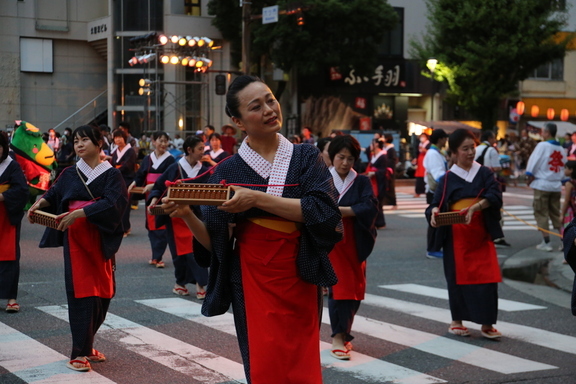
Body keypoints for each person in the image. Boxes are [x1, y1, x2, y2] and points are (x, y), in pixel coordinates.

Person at [161, 75, 342, 384]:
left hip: (299, 268)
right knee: (263, 362)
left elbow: (324, 213)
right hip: (251, 275)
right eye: (256, 106)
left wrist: (257, 198)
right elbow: (216, 241)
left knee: (301, 361)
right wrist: (187, 216)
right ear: (238, 121)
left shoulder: (306, 156)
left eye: (270, 100)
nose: (270, 109)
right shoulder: (227, 170)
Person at [28, 125, 128, 372]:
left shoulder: (111, 174)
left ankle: (87, 344)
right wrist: (39, 203)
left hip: (101, 238)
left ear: (98, 143)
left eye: (85, 140)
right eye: (76, 141)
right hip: (77, 241)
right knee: (82, 294)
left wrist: (80, 213)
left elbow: (114, 203)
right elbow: (53, 193)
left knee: (104, 293)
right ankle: (78, 353)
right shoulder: (70, 173)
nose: (79, 144)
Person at [426, 128, 503, 340]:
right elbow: (435, 204)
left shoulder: (485, 173)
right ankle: (456, 321)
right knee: (457, 278)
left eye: (473, 148)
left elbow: (495, 195)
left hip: (480, 233)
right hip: (457, 234)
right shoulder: (447, 179)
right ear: (454, 152)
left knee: (487, 279)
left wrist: (476, 207)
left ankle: (487, 323)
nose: (470, 153)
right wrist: (433, 212)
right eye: (465, 149)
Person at [326, 135, 378, 360]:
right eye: (341, 157)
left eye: (350, 158)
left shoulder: (362, 181)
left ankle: (345, 333)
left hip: (354, 240)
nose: (345, 163)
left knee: (354, 290)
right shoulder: (321, 179)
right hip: (331, 241)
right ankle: (338, 336)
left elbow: (370, 206)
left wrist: (342, 211)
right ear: (332, 157)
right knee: (341, 288)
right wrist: (347, 210)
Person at [149, 135, 210, 298]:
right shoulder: (175, 168)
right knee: (180, 254)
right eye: (200, 149)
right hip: (176, 216)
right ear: (189, 150)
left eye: (203, 149)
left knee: (197, 251)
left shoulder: (205, 171)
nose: (202, 152)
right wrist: (154, 200)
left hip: (197, 217)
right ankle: (180, 283)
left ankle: (201, 284)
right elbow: (159, 186)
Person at [128, 132, 175, 267]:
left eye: (165, 141)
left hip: (162, 194)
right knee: (150, 225)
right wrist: (135, 183)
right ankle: (155, 255)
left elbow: (170, 180)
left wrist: (154, 185)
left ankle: (158, 257)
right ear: (153, 142)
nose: (163, 144)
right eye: (160, 141)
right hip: (149, 195)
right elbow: (141, 174)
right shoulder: (148, 158)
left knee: (161, 225)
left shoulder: (170, 159)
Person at [0, 131, 29, 313]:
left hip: (6, 217)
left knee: (9, 256)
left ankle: (11, 298)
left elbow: (22, 191)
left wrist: (2, 196)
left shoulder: (12, 166)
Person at [526, 122, 567, 251]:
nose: (541, 134)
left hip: (542, 184)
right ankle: (564, 241)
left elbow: (533, 162)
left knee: (541, 212)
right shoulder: (560, 148)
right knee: (556, 214)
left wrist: (529, 175)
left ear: (547, 133)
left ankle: (546, 241)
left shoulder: (542, 145)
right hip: (555, 185)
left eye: (542, 131)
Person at [423, 129, 449, 259]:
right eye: (445, 138)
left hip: (438, 191)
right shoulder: (433, 154)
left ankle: (435, 247)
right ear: (440, 139)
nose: (446, 141)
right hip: (436, 192)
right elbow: (438, 175)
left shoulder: (436, 153)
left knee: (438, 220)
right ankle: (433, 248)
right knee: (436, 220)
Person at [111, 129, 137, 236]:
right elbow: (112, 163)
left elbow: (127, 165)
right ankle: (119, 227)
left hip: (127, 180)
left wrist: (115, 171)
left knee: (125, 205)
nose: (117, 140)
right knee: (117, 205)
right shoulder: (115, 151)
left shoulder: (130, 151)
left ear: (125, 138)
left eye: (120, 137)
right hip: (117, 180)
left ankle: (125, 228)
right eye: (115, 137)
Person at [366, 138, 388, 229]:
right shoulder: (374, 155)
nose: (371, 145)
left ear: (377, 144)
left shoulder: (383, 156)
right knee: (374, 201)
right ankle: (375, 222)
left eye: (373, 143)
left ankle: (380, 222)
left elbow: (384, 170)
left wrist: (375, 173)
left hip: (380, 181)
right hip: (374, 181)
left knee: (378, 202)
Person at [561, 161, 576, 253]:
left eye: (566, 168)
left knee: (569, 233)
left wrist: (561, 214)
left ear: (571, 170)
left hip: (570, 211)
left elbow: (566, 201)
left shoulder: (569, 184)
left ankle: (569, 255)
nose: (564, 170)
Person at [383, 133, 398, 209]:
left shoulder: (391, 149)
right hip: (386, 170)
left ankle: (394, 203)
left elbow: (392, 160)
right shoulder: (385, 148)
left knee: (391, 187)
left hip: (390, 171)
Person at [413, 132, 430, 197]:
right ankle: (418, 191)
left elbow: (430, 151)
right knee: (419, 176)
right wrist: (415, 158)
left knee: (426, 175)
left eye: (423, 136)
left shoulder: (429, 144)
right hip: (420, 160)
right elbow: (416, 153)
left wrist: (425, 150)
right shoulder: (419, 144)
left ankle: (426, 190)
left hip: (426, 159)